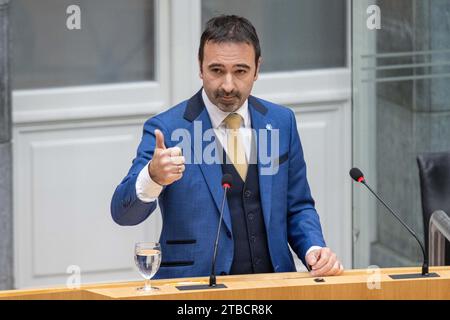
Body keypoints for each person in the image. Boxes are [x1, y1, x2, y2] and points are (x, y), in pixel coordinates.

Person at [111, 15, 344, 279]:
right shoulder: (167, 129)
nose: (228, 85)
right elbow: (123, 212)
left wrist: (314, 248)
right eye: (216, 70)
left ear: (257, 69)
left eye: (241, 71)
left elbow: (298, 206)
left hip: (274, 286)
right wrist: (152, 177)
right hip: (194, 292)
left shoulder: (281, 122)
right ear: (200, 68)